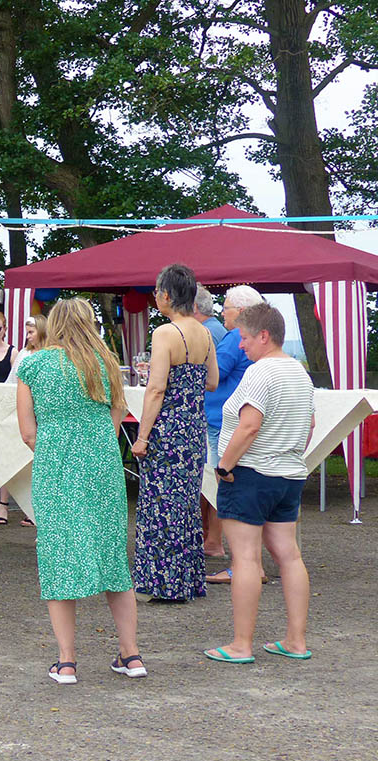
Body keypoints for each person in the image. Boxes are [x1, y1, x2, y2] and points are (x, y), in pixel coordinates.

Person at [16, 298, 142, 684]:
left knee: (58, 555)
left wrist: (56, 449)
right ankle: (131, 655)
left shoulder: (33, 364)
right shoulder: (105, 363)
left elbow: (26, 430)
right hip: (102, 465)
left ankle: (67, 661)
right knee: (112, 557)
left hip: (57, 465)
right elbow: (117, 415)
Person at [205, 302, 315, 664]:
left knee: (246, 558)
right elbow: (310, 425)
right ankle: (296, 640)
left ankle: (241, 644)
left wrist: (224, 465)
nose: (241, 345)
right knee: (289, 554)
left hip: (251, 474)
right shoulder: (300, 372)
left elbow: (249, 425)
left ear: (264, 336)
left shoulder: (260, 372)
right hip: (289, 474)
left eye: (246, 337)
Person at [130, 264, 219, 603]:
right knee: (185, 505)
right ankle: (187, 579)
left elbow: (155, 389)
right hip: (193, 429)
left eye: (156, 291)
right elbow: (212, 381)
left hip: (167, 431)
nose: (155, 297)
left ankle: (164, 583)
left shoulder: (165, 334)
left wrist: (142, 436)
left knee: (160, 504)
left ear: (166, 295)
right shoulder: (204, 332)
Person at [204, 285, 265, 568]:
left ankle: (233, 554)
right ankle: (225, 547)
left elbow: (214, 374)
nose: (222, 312)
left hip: (220, 418)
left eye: (226, 307)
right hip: (236, 417)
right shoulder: (258, 341)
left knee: (224, 485)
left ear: (240, 312)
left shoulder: (232, 339)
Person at [0, 314, 50, 527]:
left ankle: (33, 509)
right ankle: (3, 505)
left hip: (41, 414)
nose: (27, 336)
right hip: (22, 411)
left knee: (36, 463)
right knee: (12, 458)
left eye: (31, 332)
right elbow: (11, 381)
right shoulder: (24, 354)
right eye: (26, 332)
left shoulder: (50, 354)